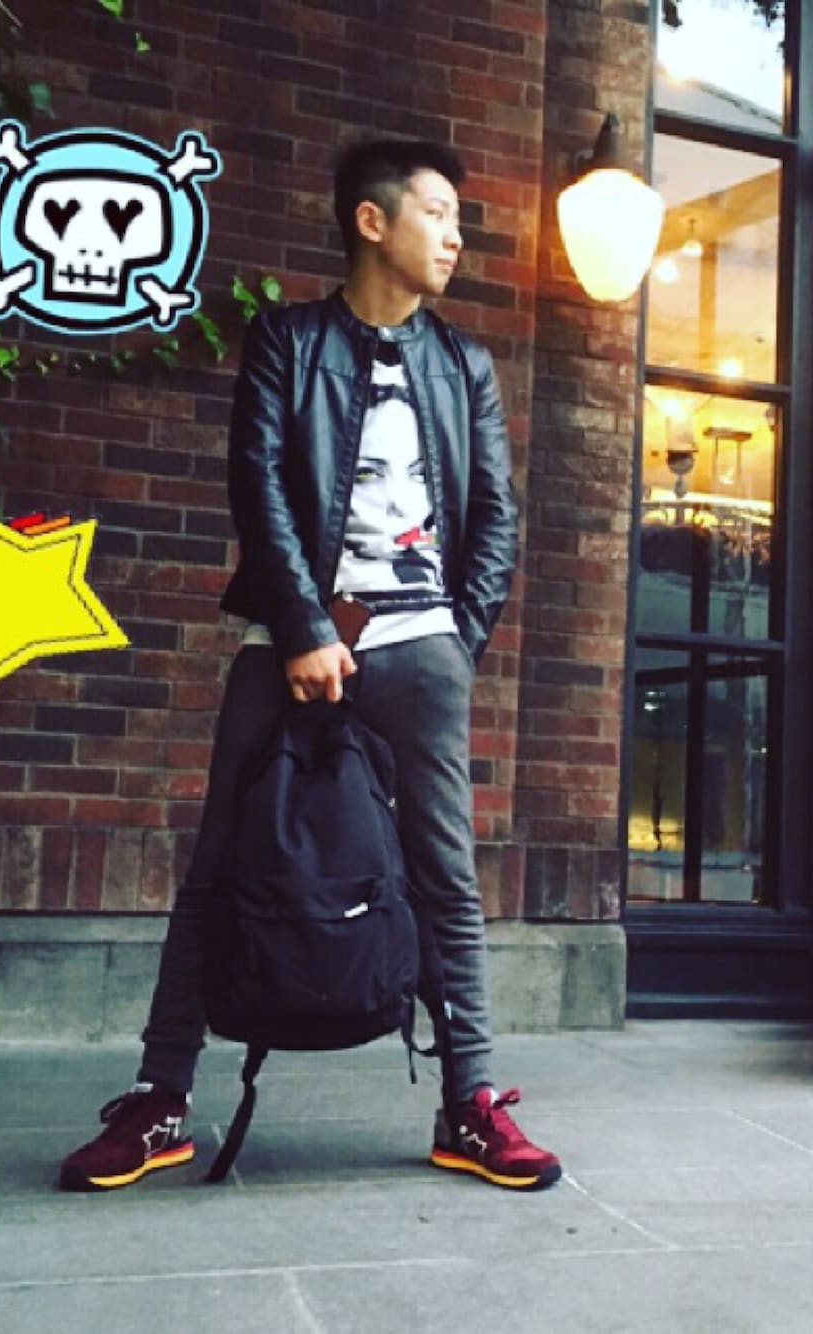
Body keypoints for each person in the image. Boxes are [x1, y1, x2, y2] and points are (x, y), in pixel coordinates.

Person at [60, 138, 561, 1194]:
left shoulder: (463, 364)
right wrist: (298, 627)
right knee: (217, 866)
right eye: (437, 212)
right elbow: (260, 486)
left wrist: (454, 642)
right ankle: (159, 1098)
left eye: (458, 217)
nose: (456, 235)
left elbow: (496, 518)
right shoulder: (288, 341)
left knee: (444, 875)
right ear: (371, 221)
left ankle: (469, 1102)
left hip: (419, 643)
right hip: (289, 639)